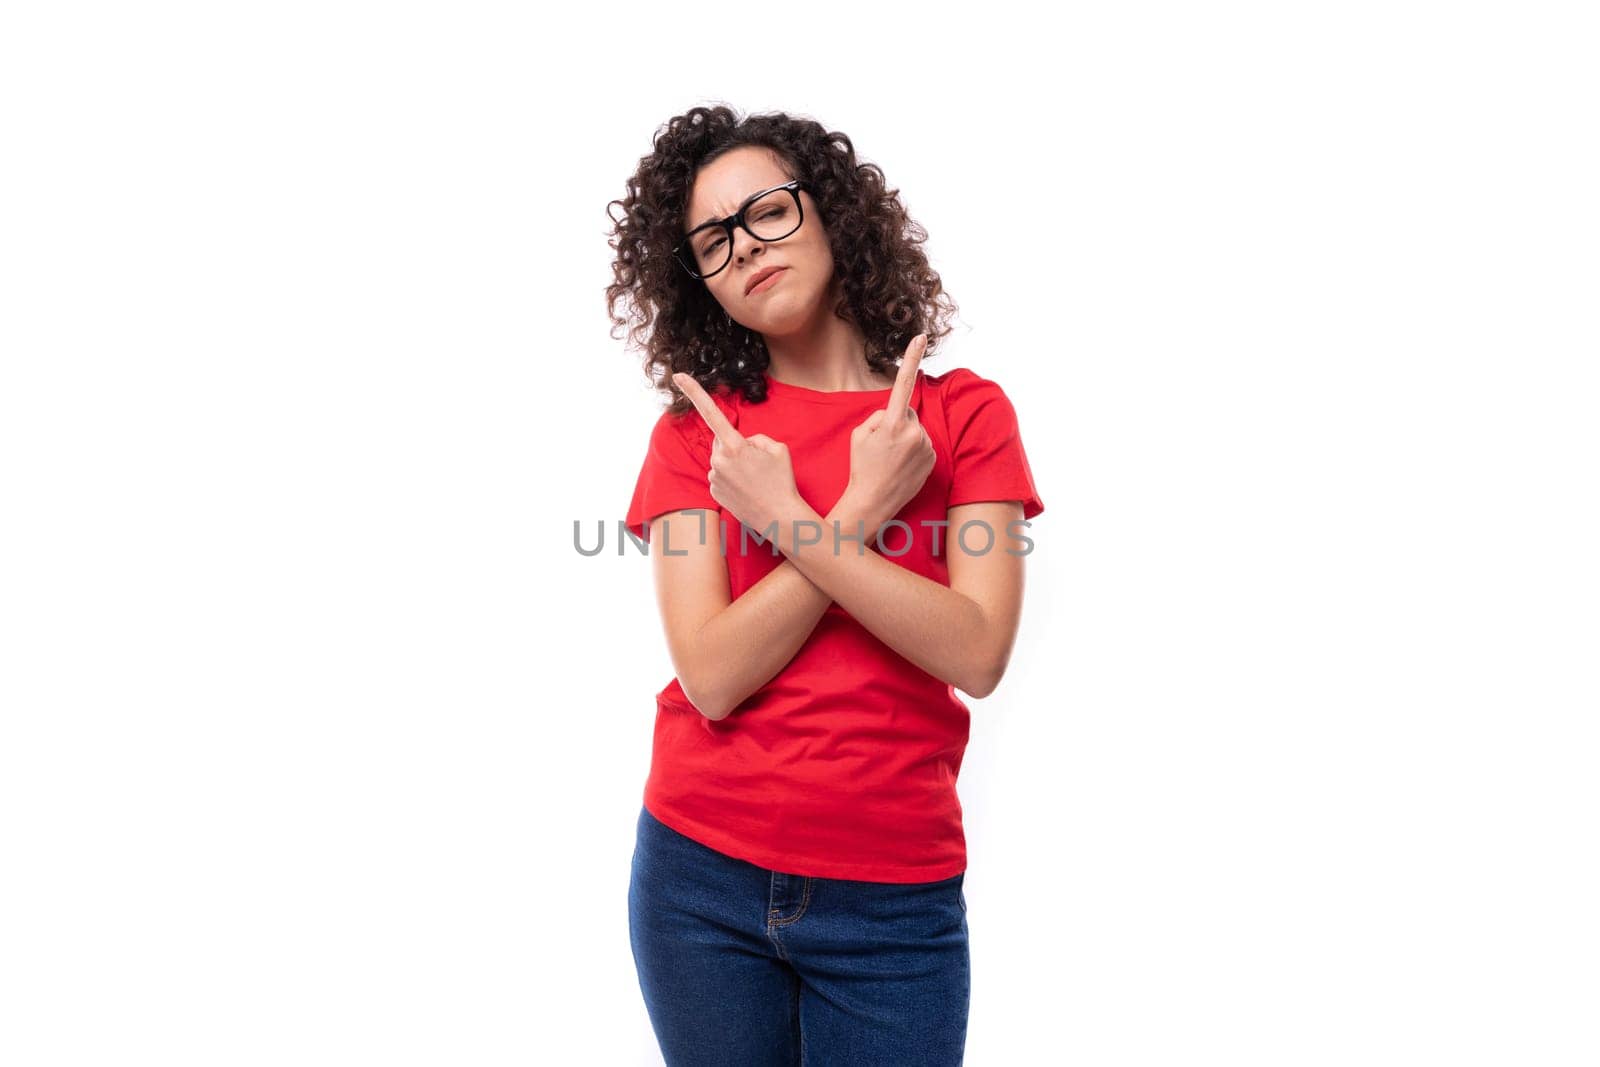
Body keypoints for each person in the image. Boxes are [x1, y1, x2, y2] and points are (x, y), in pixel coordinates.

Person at [603, 105, 1045, 1067]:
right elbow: (713, 675)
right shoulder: (701, 444)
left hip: (895, 902)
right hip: (698, 879)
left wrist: (795, 521)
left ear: (830, 211)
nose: (745, 248)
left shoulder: (961, 416)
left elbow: (976, 650)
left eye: (765, 211)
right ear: (699, 285)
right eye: (712, 241)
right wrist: (854, 512)